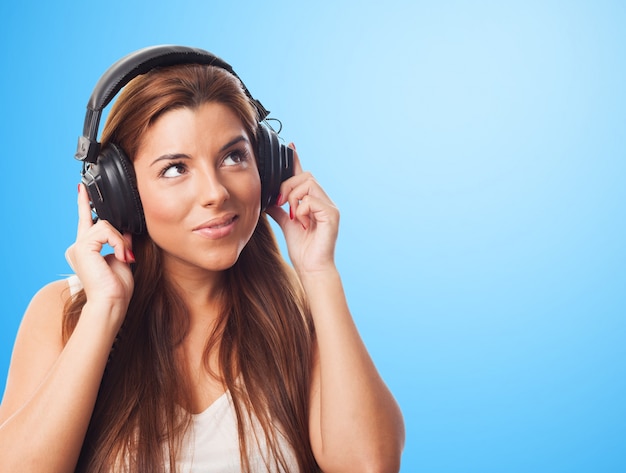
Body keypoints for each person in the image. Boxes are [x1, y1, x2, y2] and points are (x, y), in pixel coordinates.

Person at [0, 46, 405, 473]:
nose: (216, 192)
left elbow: (369, 465)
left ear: (266, 167)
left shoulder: (303, 314)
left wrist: (319, 273)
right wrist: (104, 312)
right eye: (175, 168)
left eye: (234, 156)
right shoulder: (65, 314)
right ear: (120, 193)